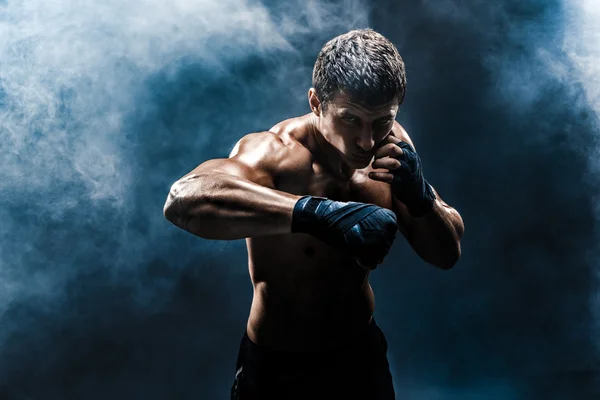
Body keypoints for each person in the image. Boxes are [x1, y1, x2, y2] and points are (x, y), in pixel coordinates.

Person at [163, 28, 464, 400]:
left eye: (381, 121)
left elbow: (446, 254)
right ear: (317, 103)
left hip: (359, 359)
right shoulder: (276, 153)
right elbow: (183, 199)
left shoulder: (393, 147)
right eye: (350, 119)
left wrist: (421, 200)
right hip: (277, 368)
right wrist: (316, 214)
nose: (367, 141)